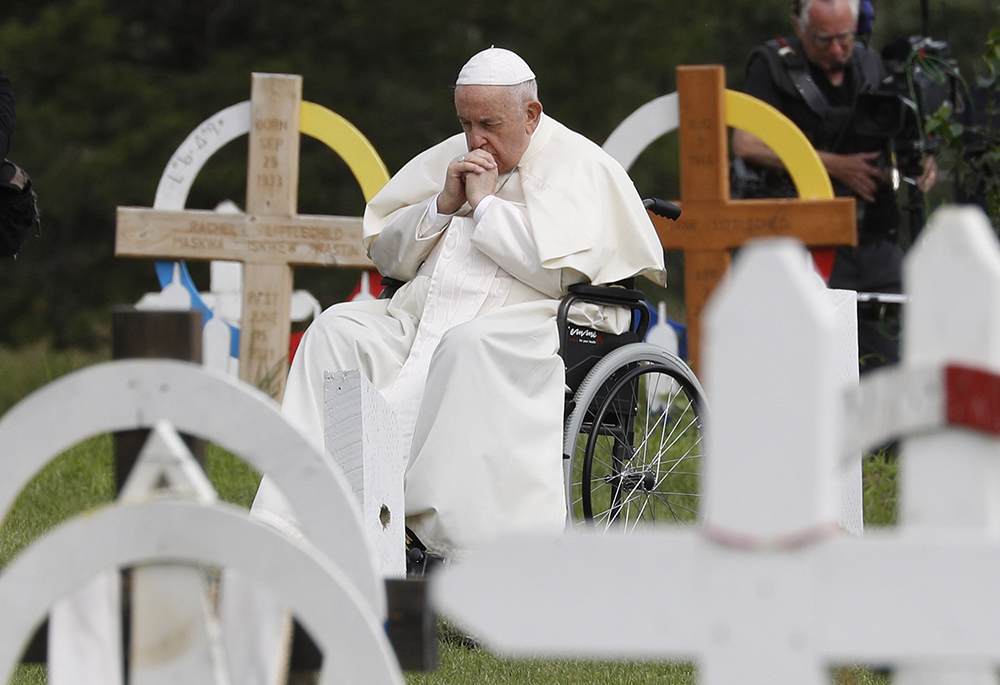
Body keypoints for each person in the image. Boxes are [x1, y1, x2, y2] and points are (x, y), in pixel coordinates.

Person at [273, 47, 665, 560]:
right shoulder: (449, 159)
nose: (476, 140)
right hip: (419, 315)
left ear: (531, 115)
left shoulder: (585, 166)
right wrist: (442, 206)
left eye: (489, 124)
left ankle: (440, 543)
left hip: (533, 322)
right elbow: (388, 259)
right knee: (337, 328)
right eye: (466, 123)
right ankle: (294, 519)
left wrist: (486, 209)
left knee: (465, 346)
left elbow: (565, 276)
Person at [731, 0, 937, 371]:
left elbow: (899, 132)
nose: (838, 49)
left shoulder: (870, 64)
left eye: (845, 37)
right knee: (817, 362)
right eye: (823, 40)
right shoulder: (773, 65)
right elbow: (746, 144)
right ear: (799, 27)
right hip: (808, 240)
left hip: (873, 236)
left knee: (890, 360)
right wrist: (836, 166)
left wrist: (919, 160)